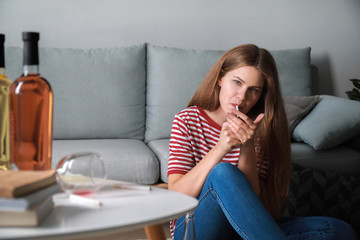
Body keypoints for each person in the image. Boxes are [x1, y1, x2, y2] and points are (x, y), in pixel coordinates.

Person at [167, 44, 356, 240]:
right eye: (237, 82)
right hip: (194, 228)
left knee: (337, 230)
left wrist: (247, 147)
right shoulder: (187, 120)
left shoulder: (261, 129)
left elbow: (252, 206)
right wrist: (221, 147)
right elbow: (177, 195)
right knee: (222, 173)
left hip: (246, 229)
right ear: (221, 77)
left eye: (254, 90)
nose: (242, 96)